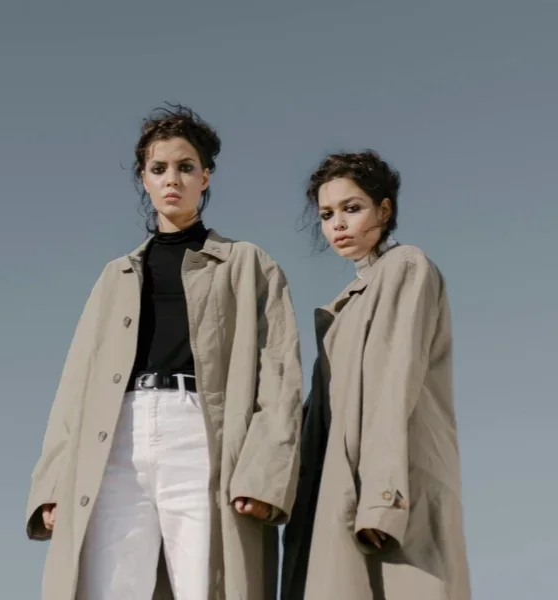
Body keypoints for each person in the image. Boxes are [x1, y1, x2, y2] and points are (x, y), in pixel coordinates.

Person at [23, 104, 303, 600]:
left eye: (185, 167)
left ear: (205, 177)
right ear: (144, 179)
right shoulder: (115, 276)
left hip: (200, 436)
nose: (172, 179)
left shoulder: (247, 264)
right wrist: (53, 483)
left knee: (206, 585)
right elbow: (76, 386)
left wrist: (264, 474)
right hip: (115, 443)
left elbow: (279, 374)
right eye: (159, 168)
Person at [280, 150, 470, 600]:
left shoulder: (405, 267)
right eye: (327, 214)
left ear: (384, 210)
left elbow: (394, 381)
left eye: (352, 208)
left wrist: (383, 499)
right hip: (348, 483)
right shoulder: (354, 298)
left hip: (391, 486)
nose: (338, 224)